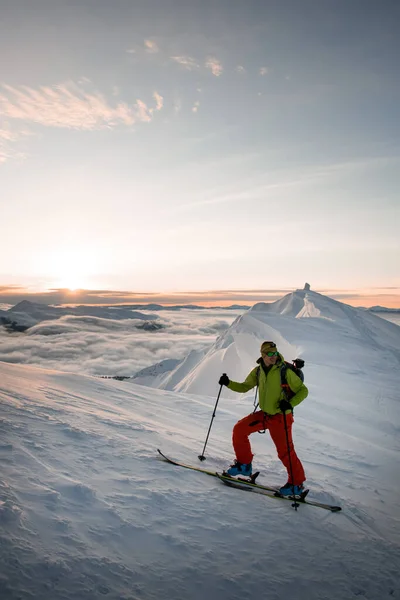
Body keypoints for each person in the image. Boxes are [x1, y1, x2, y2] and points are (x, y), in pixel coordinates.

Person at [218, 341, 308, 497]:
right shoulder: (258, 371)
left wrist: (290, 403)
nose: (273, 356)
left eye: (275, 353)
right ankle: (244, 465)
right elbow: (245, 386)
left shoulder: (284, 371)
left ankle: (296, 484)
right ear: (263, 355)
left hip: (281, 417)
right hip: (265, 415)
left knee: (285, 452)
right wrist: (228, 383)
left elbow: (303, 391)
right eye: (270, 354)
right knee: (240, 429)